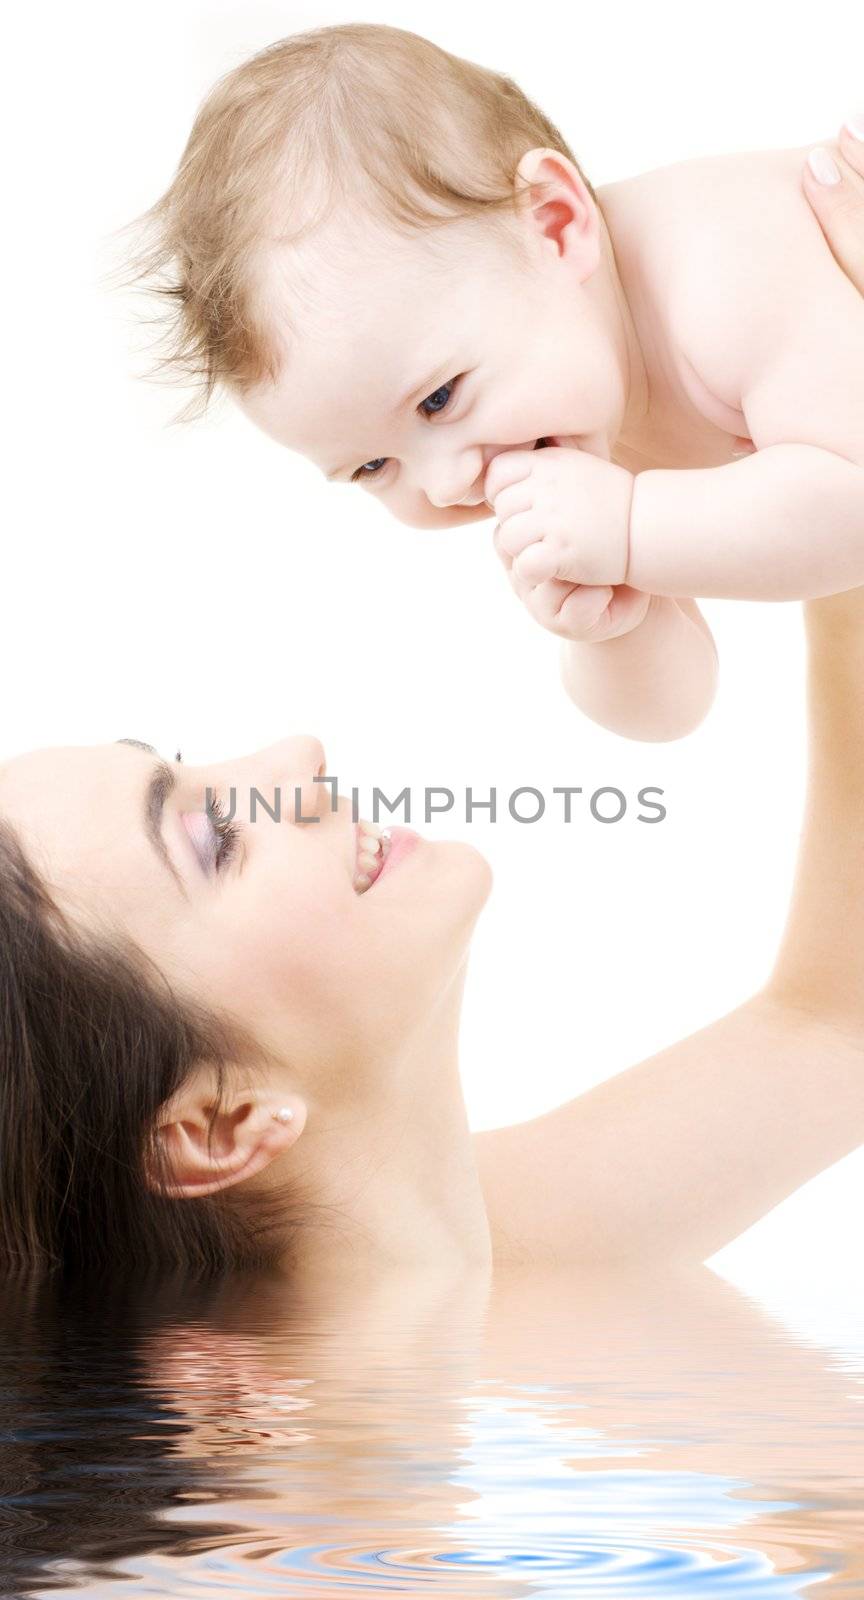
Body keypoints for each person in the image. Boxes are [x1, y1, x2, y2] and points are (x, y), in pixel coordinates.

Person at [0, 136, 861, 1286]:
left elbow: (841, 1023)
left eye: (198, 769)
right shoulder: (342, 1433)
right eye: (212, 836)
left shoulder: (535, 1244)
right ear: (213, 1125)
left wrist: (826, 417)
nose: (294, 754)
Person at [123, 23, 864, 741]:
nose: (447, 484)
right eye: (374, 467)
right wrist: (609, 624)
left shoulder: (722, 271)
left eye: (439, 398)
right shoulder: (579, 396)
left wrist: (633, 530)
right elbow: (676, 709)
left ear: (552, 223)